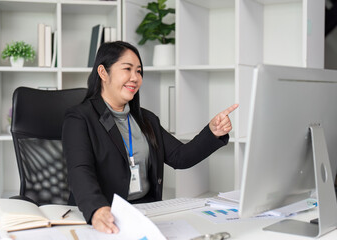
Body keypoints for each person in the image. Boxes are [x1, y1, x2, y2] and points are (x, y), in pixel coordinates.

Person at [62, 41, 238, 234]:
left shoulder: (146, 119)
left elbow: (181, 157)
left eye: (139, 71)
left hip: (145, 213)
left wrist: (213, 132)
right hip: (105, 216)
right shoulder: (80, 118)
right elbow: (80, 170)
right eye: (127, 69)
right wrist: (97, 210)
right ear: (103, 73)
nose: (135, 78)